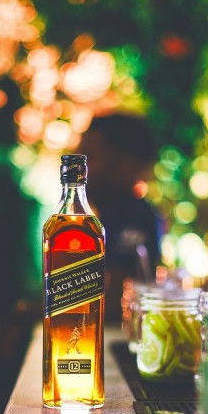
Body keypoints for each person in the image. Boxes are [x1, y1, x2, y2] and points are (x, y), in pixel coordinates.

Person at [80, 112, 161, 321]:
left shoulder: (132, 218)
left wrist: (30, 313)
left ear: (125, 164)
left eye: (88, 156)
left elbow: (113, 303)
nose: (78, 168)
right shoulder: (105, 218)